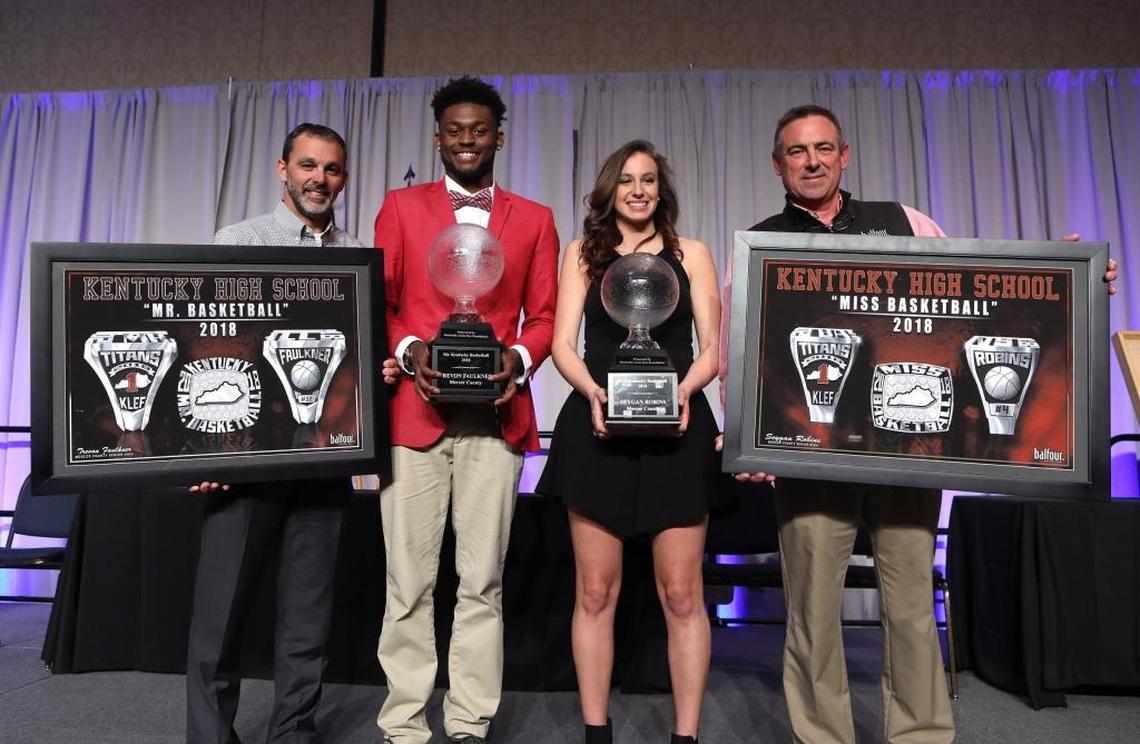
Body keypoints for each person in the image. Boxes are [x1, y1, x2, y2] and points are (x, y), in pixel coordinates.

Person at [723, 104, 1119, 744]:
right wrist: (749, 434)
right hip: (810, 454)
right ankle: (822, 736)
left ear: (845, 155)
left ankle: (921, 734)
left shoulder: (905, 222)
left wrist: (1065, 280)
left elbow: (974, 300)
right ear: (778, 164)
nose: (813, 161)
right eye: (798, 152)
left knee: (909, 605)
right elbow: (736, 350)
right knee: (812, 611)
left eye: (825, 148)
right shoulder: (760, 243)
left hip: (908, 448)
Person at [372, 76, 559, 744]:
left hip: (496, 421)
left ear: (498, 137)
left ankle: (470, 721)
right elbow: (384, 300)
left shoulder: (535, 219)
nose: (468, 140)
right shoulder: (399, 208)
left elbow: (543, 315)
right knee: (409, 582)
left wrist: (517, 357)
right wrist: (415, 346)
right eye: (456, 130)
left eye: (480, 129)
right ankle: (403, 724)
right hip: (412, 420)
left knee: (482, 582)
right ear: (439, 136)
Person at [536, 140, 726, 744]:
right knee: (594, 593)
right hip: (597, 430)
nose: (638, 190)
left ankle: (685, 736)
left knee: (681, 593)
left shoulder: (692, 254)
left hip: (677, 431)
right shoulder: (582, 255)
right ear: (609, 191)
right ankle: (597, 733)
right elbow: (563, 343)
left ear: (661, 191)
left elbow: (713, 350)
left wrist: (682, 393)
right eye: (626, 181)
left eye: (648, 180)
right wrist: (594, 392)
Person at [185, 123, 361, 743]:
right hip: (243, 463)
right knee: (220, 621)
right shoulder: (237, 241)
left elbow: (358, 362)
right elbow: (206, 350)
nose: (320, 179)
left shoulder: (357, 257)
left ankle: (292, 736)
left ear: (344, 177)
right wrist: (205, 449)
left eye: (332, 169)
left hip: (320, 464)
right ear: (282, 169)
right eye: (308, 165)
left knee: (307, 625)